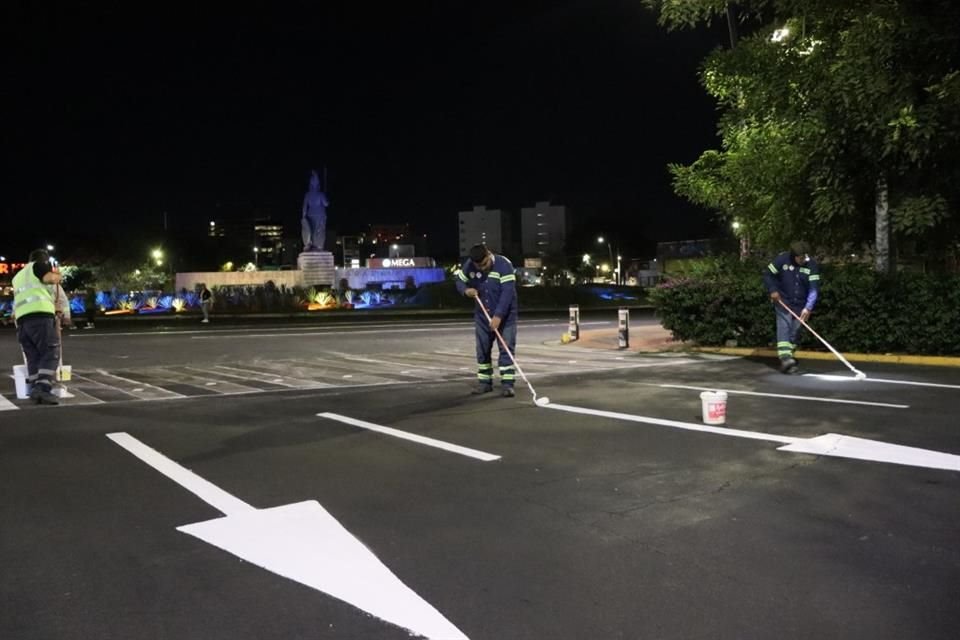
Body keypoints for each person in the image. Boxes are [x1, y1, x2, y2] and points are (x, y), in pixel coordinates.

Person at [456, 243, 519, 397]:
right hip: (482, 316)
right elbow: (459, 281)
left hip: (505, 317)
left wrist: (498, 316)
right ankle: (485, 383)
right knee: (482, 350)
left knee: (506, 349)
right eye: (478, 266)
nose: (482, 268)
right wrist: (465, 290)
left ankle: (507, 384)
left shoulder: (504, 264)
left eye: (484, 264)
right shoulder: (470, 266)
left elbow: (507, 293)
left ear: (489, 254)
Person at [12, 249, 63, 405]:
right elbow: (49, 278)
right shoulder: (38, 266)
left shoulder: (18, 276)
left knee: (34, 356)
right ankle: (42, 388)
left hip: (22, 321)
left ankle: (35, 388)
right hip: (40, 317)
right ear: (44, 260)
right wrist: (58, 275)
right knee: (50, 352)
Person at [763, 240, 821, 374]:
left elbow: (814, 289)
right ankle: (785, 359)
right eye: (801, 258)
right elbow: (767, 274)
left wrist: (808, 307)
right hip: (783, 301)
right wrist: (772, 290)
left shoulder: (811, 265)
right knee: (785, 326)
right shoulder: (782, 260)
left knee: (795, 333)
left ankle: (789, 357)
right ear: (794, 256)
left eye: (806, 257)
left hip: (801, 305)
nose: (804, 260)